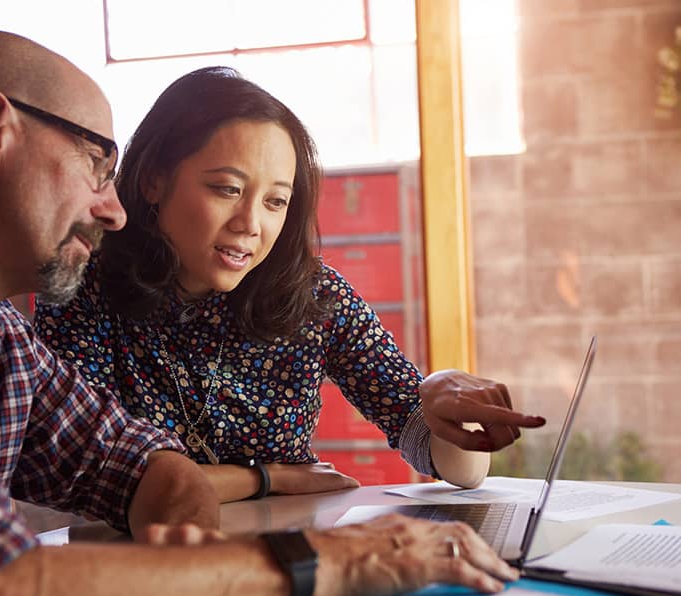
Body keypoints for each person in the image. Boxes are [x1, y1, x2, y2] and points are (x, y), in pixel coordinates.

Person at [0, 29, 521, 596]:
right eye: (95, 164)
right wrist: (314, 564)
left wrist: (196, 558)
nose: (110, 208)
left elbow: (144, 467)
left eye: (275, 200)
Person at [34, 66, 547, 504]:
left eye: (274, 201)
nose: (250, 224)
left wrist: (439, 397)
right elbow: (82, 471)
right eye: (227, 189)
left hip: (287, 564)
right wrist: (265, 479)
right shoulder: (85, 285)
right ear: (154, 181)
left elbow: (454, 469)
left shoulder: (313, 296)